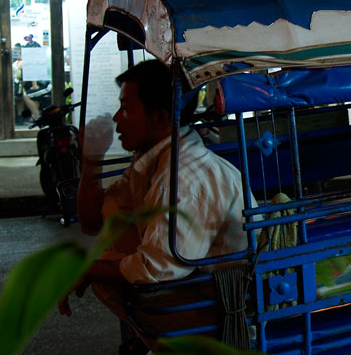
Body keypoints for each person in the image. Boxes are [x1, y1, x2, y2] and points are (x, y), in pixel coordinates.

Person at [60, 60, 253, 338]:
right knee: (107, 259)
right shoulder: (153, 158)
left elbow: (155, 270)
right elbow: (92, 221)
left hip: (226, 304)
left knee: (107, 272)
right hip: (197, 284)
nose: (116, 118)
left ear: (160, 117)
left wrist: (90, 270)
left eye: (126, 108)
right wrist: (91, 160)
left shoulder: (181, 177)